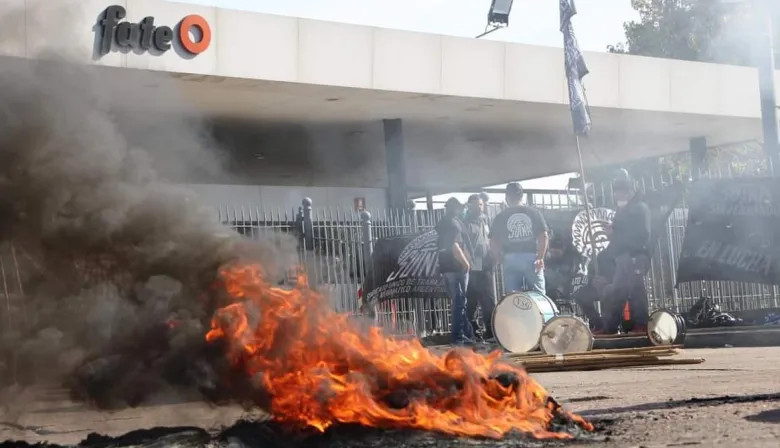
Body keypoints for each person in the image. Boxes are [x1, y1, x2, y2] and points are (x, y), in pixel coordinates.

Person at [593, 169, 652, 333]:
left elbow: (643, 234)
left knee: (636, 289)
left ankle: (641, 324)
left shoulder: (640, 208)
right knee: (618, 292)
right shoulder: (623, 210)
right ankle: (611, 327)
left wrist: (616, 232)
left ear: (627, 191)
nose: (616, 196)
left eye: (618, 192)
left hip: (635, 255)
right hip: (622, 256)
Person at [489, 183, 549, 294]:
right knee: (539, 294)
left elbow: (493, 241)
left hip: (510, 258)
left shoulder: (501, 216)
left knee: (513, 297)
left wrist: (499, 257)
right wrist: (540, 257)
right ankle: (540, 311)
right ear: (522, 196)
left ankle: (516, 310)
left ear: (507, 197)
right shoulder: (533, 213)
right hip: (532, 257)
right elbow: (543, 236)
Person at [435, 197, 475, 345]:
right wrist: (465, 263)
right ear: (456, 208)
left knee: (459, 302)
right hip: (456, 267)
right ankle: (458, 337)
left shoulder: (443, 223)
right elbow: (455, 246)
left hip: (447, 268)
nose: (463, 210)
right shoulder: (453, 225)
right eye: (460, 208)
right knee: (459, 303)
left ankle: (468, 334)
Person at [462, 194, 496, 342]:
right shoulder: (465, 223)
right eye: (476, 205)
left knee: (488, 301)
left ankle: (490, 332)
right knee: (471, 302)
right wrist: (470, 264)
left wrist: (492, 258)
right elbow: (463, 246)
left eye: (481, 205)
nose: (479, 208)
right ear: (469, 206)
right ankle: (473, 331)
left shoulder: (485, 221)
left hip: (486, 266)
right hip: (473, 267)